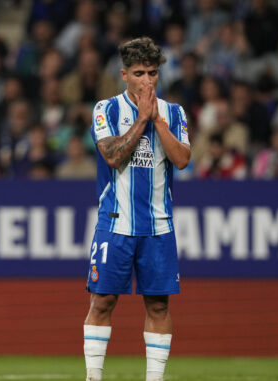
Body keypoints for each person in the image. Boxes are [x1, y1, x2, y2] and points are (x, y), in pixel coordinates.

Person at [84, 37, 190, 381]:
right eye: (140, 73)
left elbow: (183, 159)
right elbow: (113, 156)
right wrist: (142, 120)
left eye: (153, 73)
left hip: (158, 225)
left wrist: (156, 119)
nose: (148, 81)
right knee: (102, 302)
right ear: (124, 75)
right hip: (115, 223)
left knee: (159, 305)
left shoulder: (174, 113)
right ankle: (93, 377)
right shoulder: (106, 109)